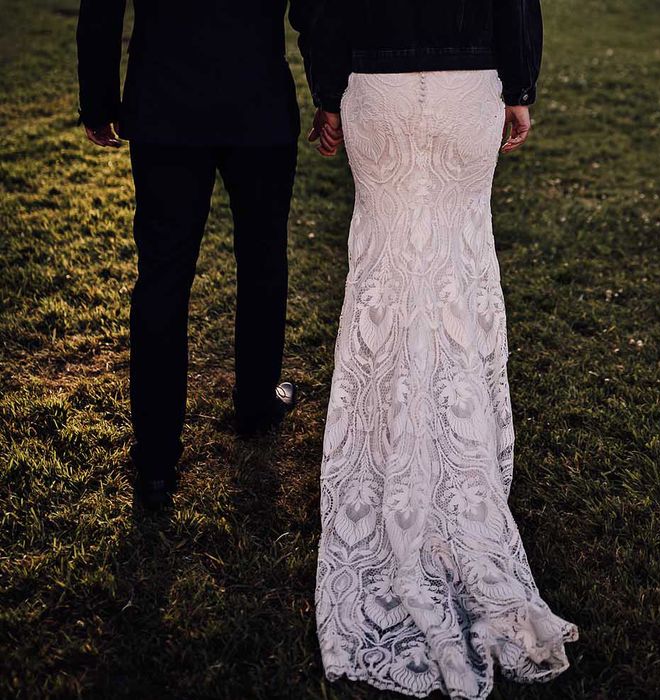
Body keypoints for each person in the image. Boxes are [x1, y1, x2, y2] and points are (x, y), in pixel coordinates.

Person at [308, 1, 578, 696]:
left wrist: (327, 90)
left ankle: (384, 460)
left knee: (384, 274)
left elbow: (316, 7)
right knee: (456, 271)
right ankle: (451, 465)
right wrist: (519, 89)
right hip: (467, 88)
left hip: (377, 86)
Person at [76, 1, 315, 510]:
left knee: (163, 275)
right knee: (263, 261)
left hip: (167, 107)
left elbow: (101, 8)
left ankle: (157, 460)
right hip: (258, 103)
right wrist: (329, 93)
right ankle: (255, 405)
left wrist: (98, 102)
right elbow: (314, 8)